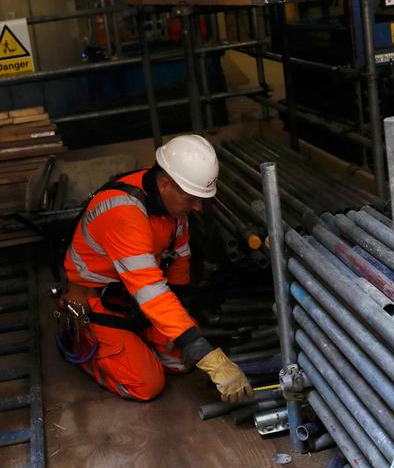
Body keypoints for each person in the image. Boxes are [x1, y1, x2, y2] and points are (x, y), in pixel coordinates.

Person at [59, 134, 253, 403]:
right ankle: (82, 347)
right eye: (191, 198)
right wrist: (211, 358)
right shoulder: (124, 212)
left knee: (181, 362)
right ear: (164, 185)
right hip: (98, 305)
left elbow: (179, 265)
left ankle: (139, 341)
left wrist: (187, 321)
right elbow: (149, 289)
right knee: (146, 384)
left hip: (137, 302)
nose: (198, 207)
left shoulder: (173, 209)